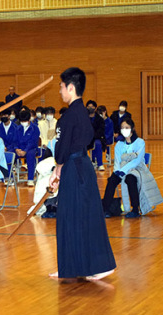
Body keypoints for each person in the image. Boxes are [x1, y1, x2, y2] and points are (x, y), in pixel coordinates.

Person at [49, 67, 116, 281]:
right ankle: (70, 266)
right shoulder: (82, 114)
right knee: (73, 217)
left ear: (70, 87)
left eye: (61, 87)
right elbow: (83, 139)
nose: (60, 91)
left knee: (77, 217)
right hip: (79, 167)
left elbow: (61, 148)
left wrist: (58, 167)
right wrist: (59, 169)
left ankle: (100, 265)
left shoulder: (69, 116)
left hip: (75, 169)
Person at [102, 118, 162, 218]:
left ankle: (135, 209)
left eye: (127, 128)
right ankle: (105, 209)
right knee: (112, 180)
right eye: (122, 128)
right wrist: (117, 171)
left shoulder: (140, 142)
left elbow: (137, 160)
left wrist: (124, 171)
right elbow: (117, 160)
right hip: (120, 169)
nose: (124, 130)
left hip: (137, 168)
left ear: (132, 128)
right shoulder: (119, 144)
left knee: (130, 179)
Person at [15, 109, 40, 187]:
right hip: (19, 149)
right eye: (21, 121)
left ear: (29, 119)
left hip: (31, 149)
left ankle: (30, 179)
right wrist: (16, 149)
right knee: (10, 153)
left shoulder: (35, 128)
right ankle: (9, 177)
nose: (23, 122)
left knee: (30, 154)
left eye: (25, 121)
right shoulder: (18, 128)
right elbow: (14, 140)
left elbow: (32, 142)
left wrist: (25, 151)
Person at [86, 100, 106, 171]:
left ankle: (100, 164)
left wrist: (93, 136)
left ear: (95, 108)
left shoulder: (100, 119)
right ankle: (87, 163)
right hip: (86, 137)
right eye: (88, 107)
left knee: (97, 143)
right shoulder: (84, 118)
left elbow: (101, 130)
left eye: (92, 106)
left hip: (97, 137)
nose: (90, 108)